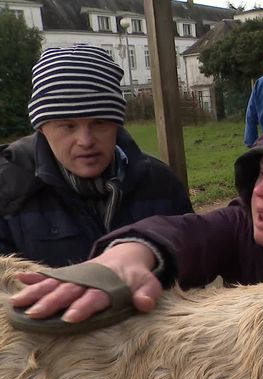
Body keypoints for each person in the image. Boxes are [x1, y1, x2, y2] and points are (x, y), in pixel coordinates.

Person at [9, 106, 263, 333]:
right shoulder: (241, 228)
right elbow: (190, 232)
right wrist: (129, 255)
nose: (259, 192)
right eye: (261, 174)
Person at [0, 44, 193, 267]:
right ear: (42, 128)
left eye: (99, 123)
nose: (86, 141)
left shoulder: (162, 184)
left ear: (117, 123)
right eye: (68, 126)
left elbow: (193, 271)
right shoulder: (7, 191)